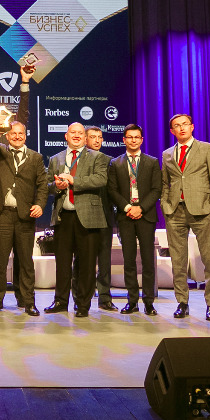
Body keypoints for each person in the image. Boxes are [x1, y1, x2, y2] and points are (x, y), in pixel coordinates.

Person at [0, 64, 45, 316]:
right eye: (13, 133)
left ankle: (28, 301)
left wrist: (39, 203)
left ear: (25, 135)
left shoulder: (36, 157)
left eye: (21, 133)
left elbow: (42, 184)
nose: (17, 136)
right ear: (8, 136)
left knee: (26, 263)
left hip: (25, 215)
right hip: (1, 215)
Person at [160, 113, 210, 320]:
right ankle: (182, 302)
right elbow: (165, 183)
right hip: (175, 211)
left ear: (192, 126)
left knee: (209, 259)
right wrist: (165, 204)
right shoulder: (167, 154)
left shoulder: (206, 148)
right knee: (178, 260)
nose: (181, 128)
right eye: (177, 126)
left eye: (185, 124)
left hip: (201, 210)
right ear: (172, 131)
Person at [45, 122, 109, 317]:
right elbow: (47, 185)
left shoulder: (98, 157)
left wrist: (74, 181)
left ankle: (82, 305)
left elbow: (101, 179)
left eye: (80, 133)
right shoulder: (56, 158)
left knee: (87, 264)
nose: (76, 135)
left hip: (89, 218)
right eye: (73, 132)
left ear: (85, 137)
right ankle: (60, 301)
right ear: (66, 136)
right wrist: (56, 186)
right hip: (63, 217)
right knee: (62, 263)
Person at [107, 124, 161, 315]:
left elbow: (157, 189)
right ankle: (132, 301)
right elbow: (112, 190)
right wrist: (128, 208)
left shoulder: (152, 162)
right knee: (129, 260)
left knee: (148, 261)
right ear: (124, 140)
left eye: (136, 137)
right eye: (129, 137)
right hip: (126, 216)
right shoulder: (115, 163)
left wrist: (141, 208)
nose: (133, 140)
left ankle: (149, 302)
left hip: (146, 216)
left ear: (141, 140)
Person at [83, 126, 117, 311]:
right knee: (82, 259)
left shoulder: (109, 161)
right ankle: (81, 297)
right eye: (93, 137)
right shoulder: (78, 160)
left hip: (104, 215)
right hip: (83, 216)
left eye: (100, 137)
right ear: (85, 139)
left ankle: (104, 298)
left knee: (104, 260)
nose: (97, 140)